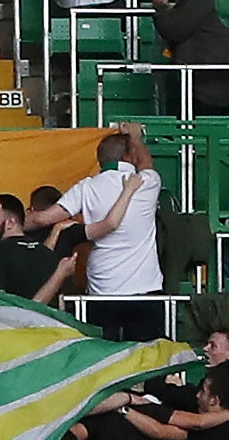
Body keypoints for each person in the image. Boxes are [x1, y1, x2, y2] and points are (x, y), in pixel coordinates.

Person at [27, 126, 163, 338]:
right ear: (129, 156)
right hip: (144, 290)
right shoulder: (146, 182)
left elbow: (42, 218)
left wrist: (12, 224)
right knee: (145, 358)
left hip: (103, 291)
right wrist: (135, 138)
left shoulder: (87, 187)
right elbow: (146, 162)